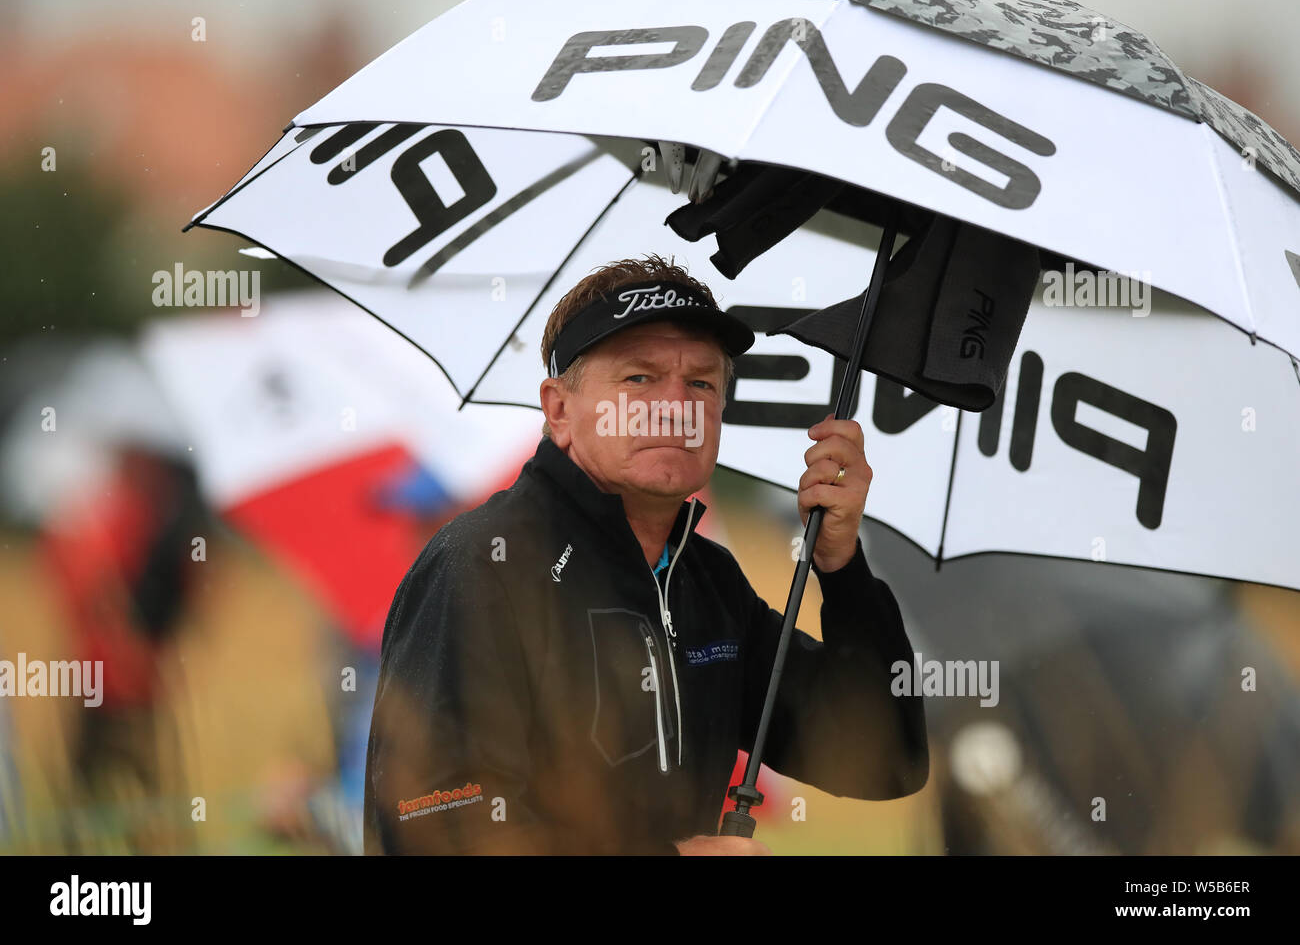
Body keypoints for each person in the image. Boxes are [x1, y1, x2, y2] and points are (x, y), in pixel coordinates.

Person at [363, 254, 929, 855]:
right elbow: (434, 825)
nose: (674, 405)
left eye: (702, 383)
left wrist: (841, 569)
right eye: (638, 378)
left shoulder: (707, 580)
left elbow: (882, 759)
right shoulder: (483, 564)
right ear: (559, 410)